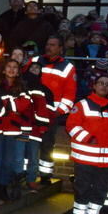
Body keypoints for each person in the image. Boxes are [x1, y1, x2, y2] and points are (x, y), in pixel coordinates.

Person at [66, 74, 108, 214]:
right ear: (94, 86)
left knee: (101, 189)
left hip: (105, 159)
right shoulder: (82, 105)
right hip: (85, 158)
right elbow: (71, 126)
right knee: (83, 188)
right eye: (101, 83)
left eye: (107, 84)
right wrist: (88, 138)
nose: (104, 86)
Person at [31, 35, 76, 182]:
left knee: (47, 144)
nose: (48, 47)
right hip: (31, 110)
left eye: (53, 45)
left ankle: (45, 175)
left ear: (60, 48)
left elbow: (70, 94)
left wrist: (59, 112)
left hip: (52, 113)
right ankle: (26, 175)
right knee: (29, 143)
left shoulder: (68, 67)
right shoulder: (35, 61)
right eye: (48, 44)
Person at [0, 59, 33, 201]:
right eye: (9, 67)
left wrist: (6, 104)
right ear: (3, 69)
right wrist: (11, 104)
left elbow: (25, 104)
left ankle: (2, 187)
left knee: (8, 161)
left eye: (15, 67)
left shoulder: (23, 87)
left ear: (18, 71)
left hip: (13, 129)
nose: (12, 70)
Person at [22, 61, 55, 190]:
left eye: (38, 68)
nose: (35, 69)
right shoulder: (20, 86)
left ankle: (31, 179)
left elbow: (49, 111)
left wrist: (44, 126)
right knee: (21, 155)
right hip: (22, 128)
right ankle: (21, 177)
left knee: (33, 155)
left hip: (36, 130)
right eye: (33, 67)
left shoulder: (46, 90)